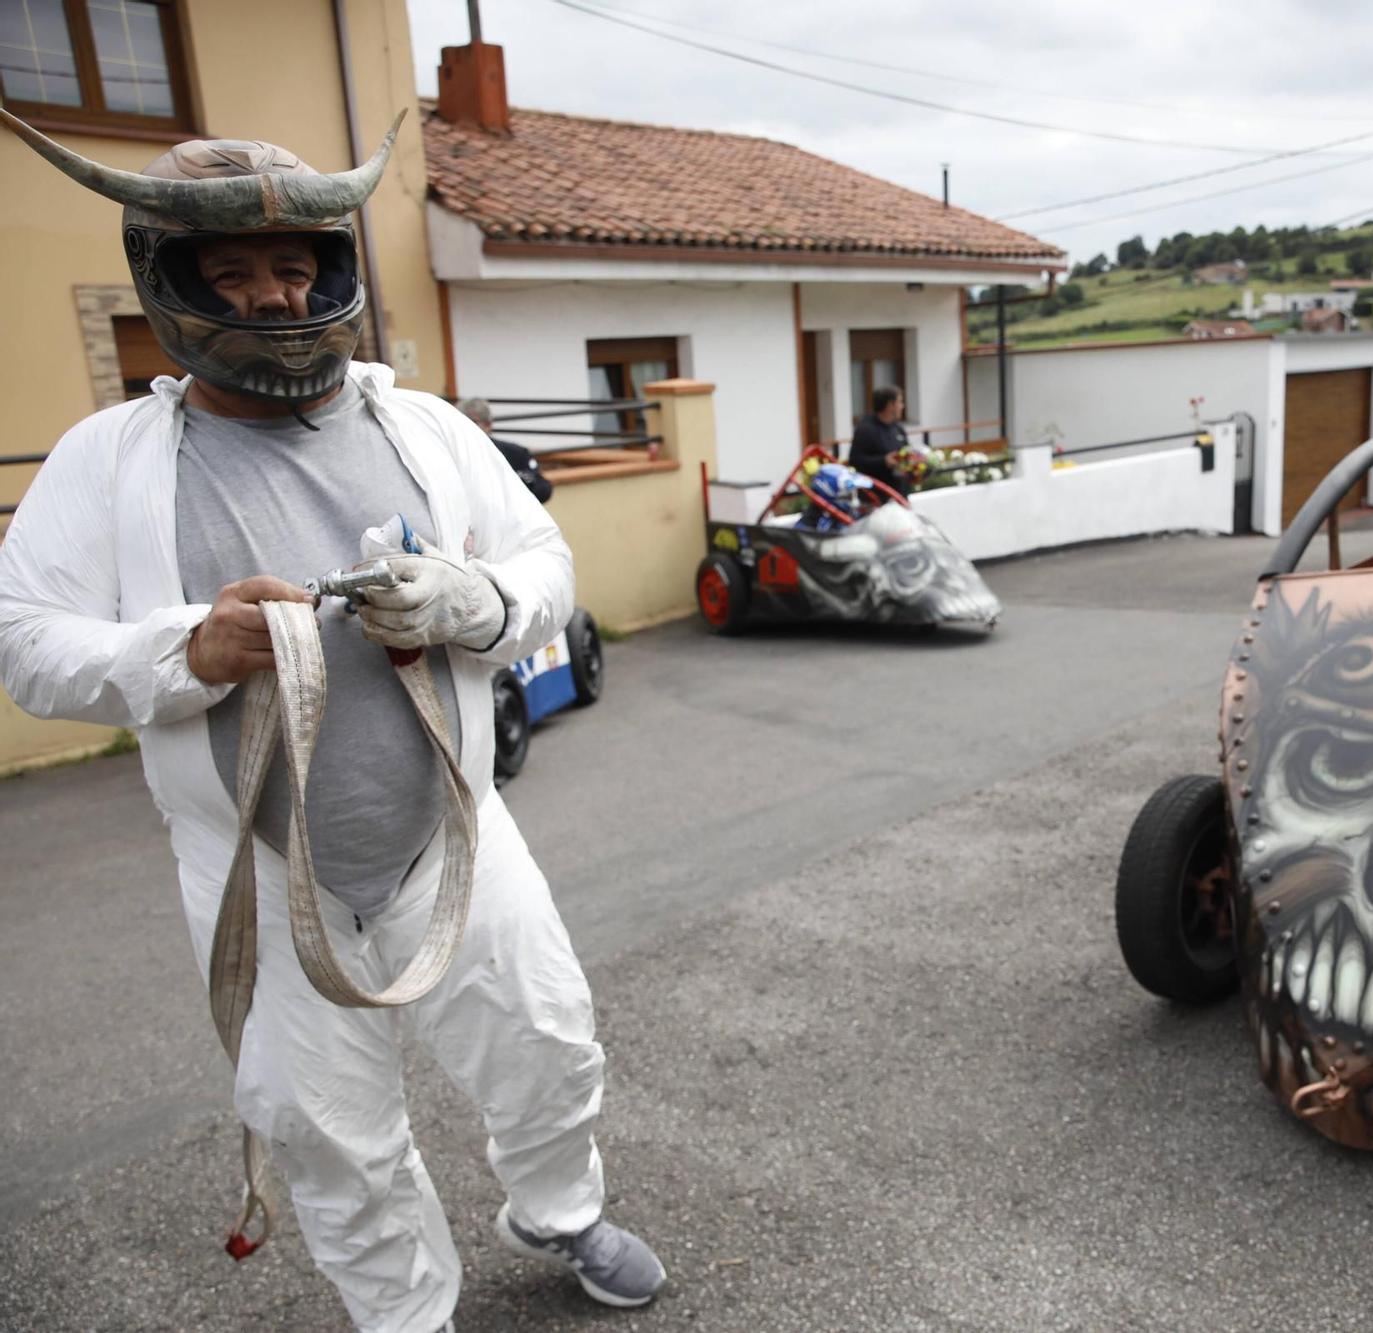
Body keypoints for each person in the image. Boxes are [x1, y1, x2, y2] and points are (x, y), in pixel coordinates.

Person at [0, 112, 664, 1331]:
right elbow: (23, 643)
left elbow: (544, 566)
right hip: (259, 872)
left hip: (457, 834)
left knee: (549, 1040)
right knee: (326, 1131)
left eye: (296, 267)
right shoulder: (106, 461)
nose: (275, 295)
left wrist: (476, 602)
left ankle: (556, 1209)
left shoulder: (426, 427)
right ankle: (406, 1317)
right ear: (174, 280)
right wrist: (186, 648)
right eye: (236, 274)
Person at [456, 396, 553, 503]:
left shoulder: (514, 453)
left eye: (472, 423)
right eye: (459, 423)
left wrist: (524, 483)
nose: (465, 429)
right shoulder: (449, 454)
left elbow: (544, 490)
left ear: (488, 425)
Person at [848, 383, 923, 491]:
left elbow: (906, 452)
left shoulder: (898, 428)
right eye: (900, 402)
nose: (903, 406)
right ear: (890, 405)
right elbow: (855, 461)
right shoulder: (866, 429)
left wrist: (914, 463)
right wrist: (883, 461)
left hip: (900, 493)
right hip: (877, 496)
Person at [797, 461, 874, 531]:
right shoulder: (817, 520)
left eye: (854, 494)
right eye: (848, 496)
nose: (855, 501)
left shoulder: (851, 513)